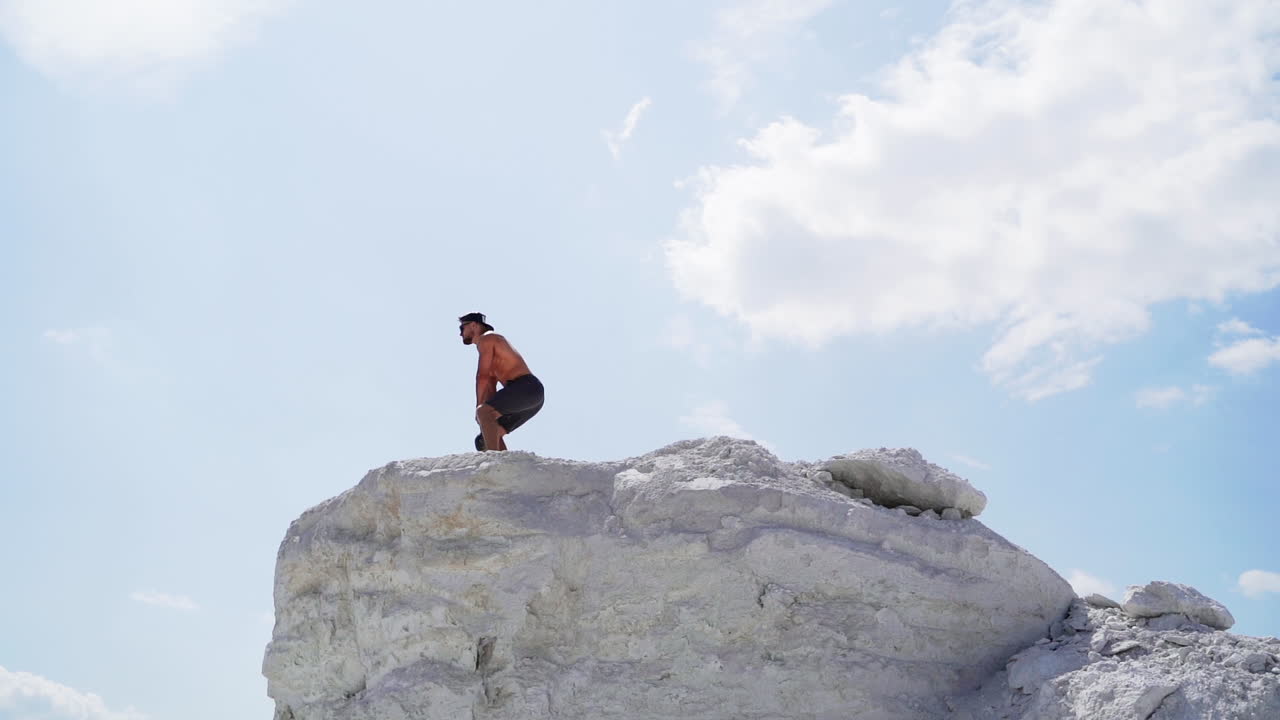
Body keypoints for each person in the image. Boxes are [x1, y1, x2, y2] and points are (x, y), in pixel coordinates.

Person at [458, 312, 544, 451]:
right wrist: (482, 414)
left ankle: (494, 460)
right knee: (484, 437)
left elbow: (482, 377)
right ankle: (504, 467)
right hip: (532, 399)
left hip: (527, 387)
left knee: (484, 414)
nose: (460, 334)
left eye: (462, 328)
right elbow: (488, 393)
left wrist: (480, 410)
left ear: (473, 325)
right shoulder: (491, 357)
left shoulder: (487, 338)